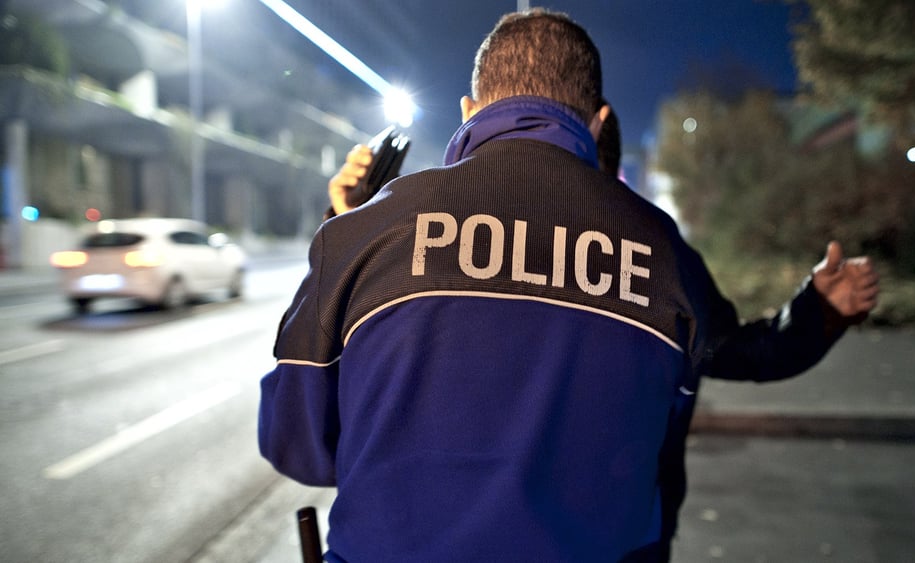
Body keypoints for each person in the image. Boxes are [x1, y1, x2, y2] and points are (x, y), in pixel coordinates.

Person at [259, 9, 880, 562]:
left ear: (470, 110)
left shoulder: (370, 231)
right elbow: (730, 353)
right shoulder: (658, 248)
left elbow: (299, 446)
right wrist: (818, 312)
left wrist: (344, 226)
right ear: (598, 118)